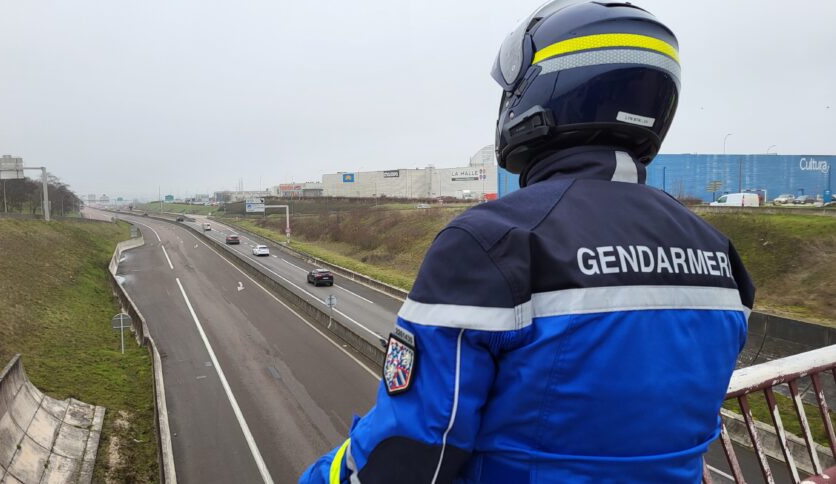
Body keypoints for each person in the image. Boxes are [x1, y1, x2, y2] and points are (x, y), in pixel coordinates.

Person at [301, 1, 753, 482]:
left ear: (543, 91)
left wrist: (324, 475)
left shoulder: (490, 242)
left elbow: (413, 450)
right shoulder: (721, 256)